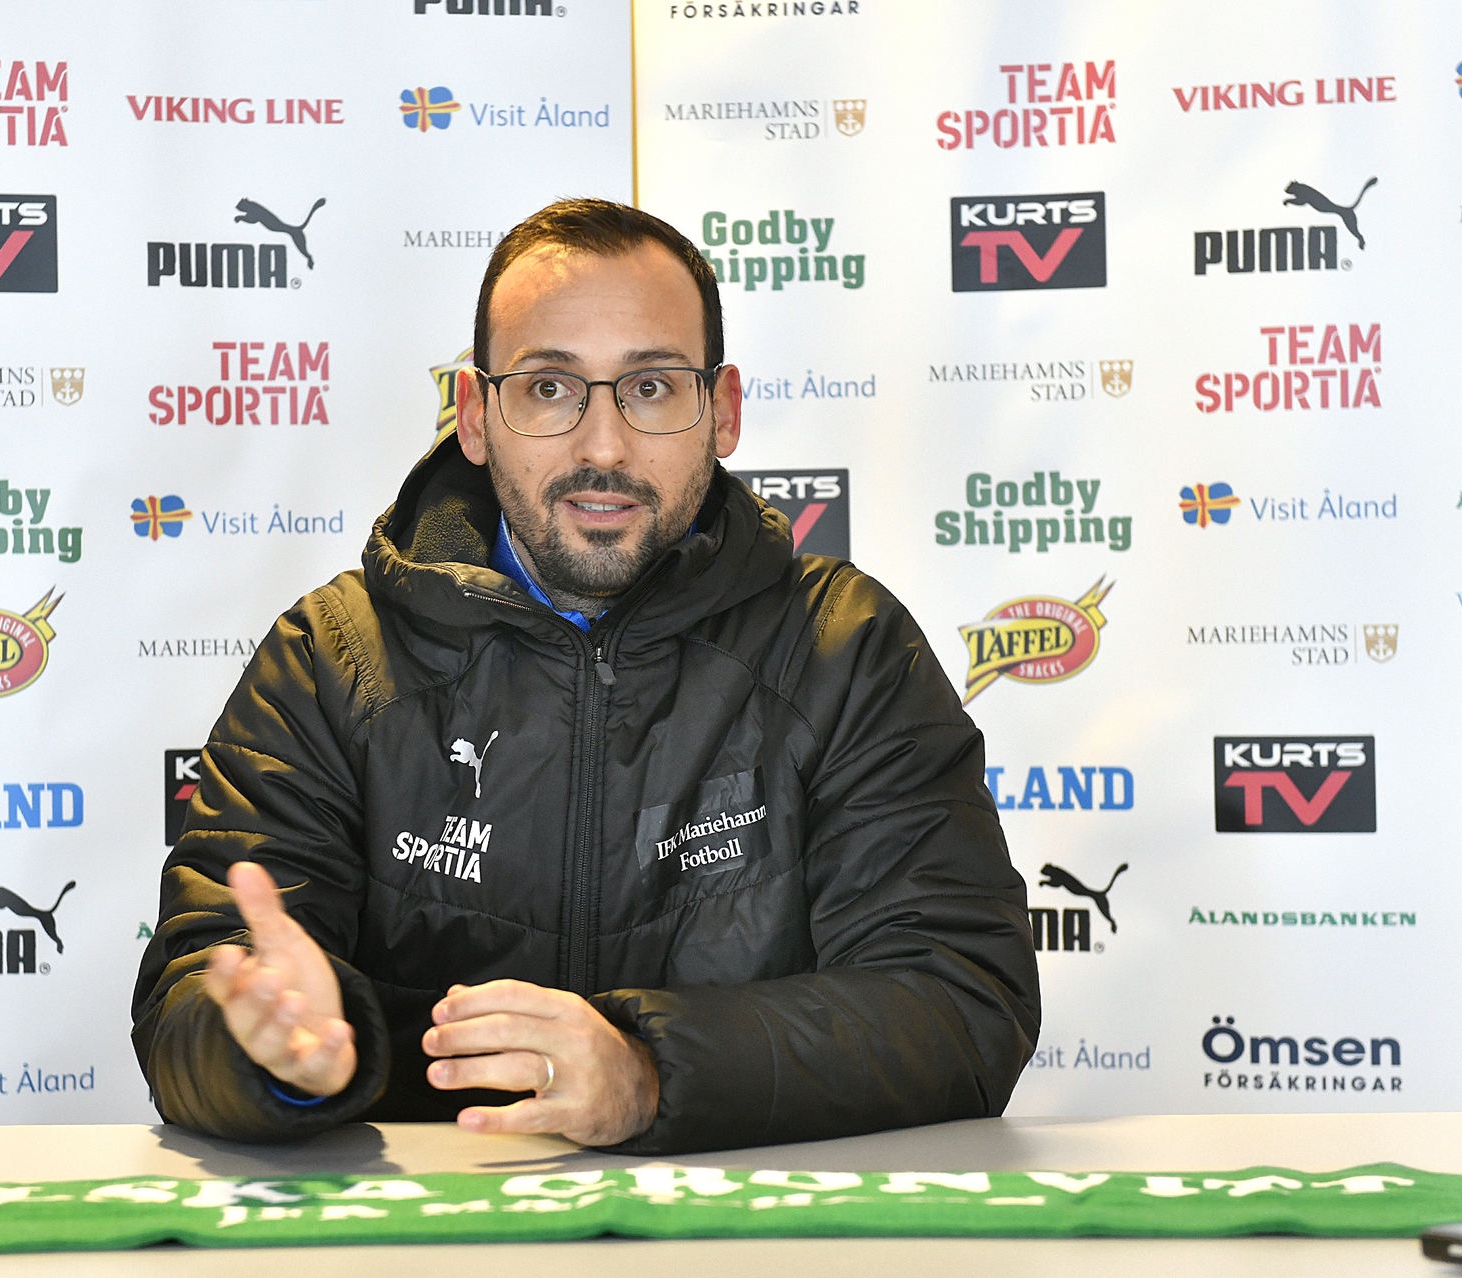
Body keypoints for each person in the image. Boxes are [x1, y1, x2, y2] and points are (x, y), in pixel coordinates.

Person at [131, 198, 1040, 1154]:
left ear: (723, 411)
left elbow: (960, 1002)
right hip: (421, 1225)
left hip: (741, 1221)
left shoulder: (845, 650)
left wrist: (651, 1073)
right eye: (548, 388)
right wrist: (267, 1055)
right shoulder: (332, 659)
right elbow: (196, 996)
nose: (603, 447)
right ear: (476, 416)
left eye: (651, 388)